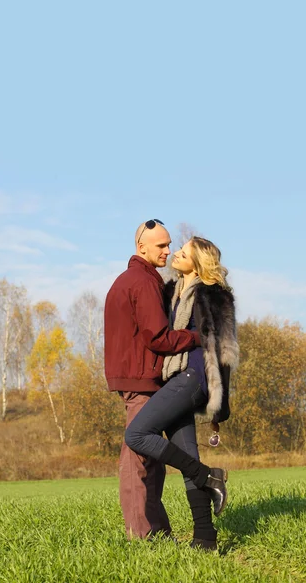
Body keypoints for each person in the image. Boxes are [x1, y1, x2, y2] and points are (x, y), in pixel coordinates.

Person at [124, 236, 239, 550]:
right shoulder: (172, 290)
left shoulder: (213, 294)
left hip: (193, 377)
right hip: (176, 378)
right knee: (187, 455)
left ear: (198, 262)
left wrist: (220, 408)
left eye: (183, 252)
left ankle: (208, 475)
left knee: (136, 434)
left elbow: (224, 353)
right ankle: (206, 538)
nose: (175, 253)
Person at [104, 219, 202, 540]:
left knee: (152, 461)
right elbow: (159, 338)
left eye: (169, 244)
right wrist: (196, 337)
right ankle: (142, 536)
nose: (168, 251)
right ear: (141, 247)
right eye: (161, 246)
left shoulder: (130, 279)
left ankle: (158, 532)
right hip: (141, 381)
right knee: (137, 460)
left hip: (134, 378)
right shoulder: (143, 282)